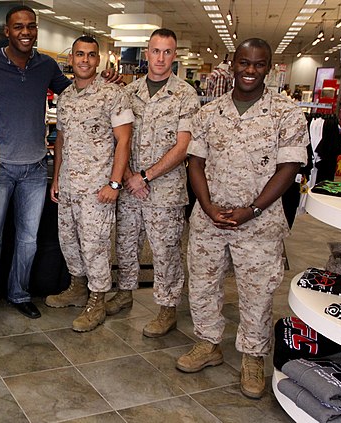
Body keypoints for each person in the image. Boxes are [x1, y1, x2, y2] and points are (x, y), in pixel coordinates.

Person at [176, 38, 308, 399]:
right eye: (244, 63)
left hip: (260, 223)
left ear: (270, 67)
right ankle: (208, 343)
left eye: (259, 64)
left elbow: (290, 167)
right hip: (210, 219)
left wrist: (253, 209)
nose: (250, 71)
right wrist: (205, 205)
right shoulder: (208, 113)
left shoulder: (287, 112)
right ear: (233, 64)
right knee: (202, 285)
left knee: (257, 293)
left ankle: (253, 356)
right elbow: (195, 163)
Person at [0, 5, 71, 325]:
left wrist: (103, 79)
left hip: (36, 168)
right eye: (18, 27)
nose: (25, 32)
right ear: (7, 32)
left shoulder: (46, 65)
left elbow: (75, 92)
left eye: (31, 26)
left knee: (28, 240)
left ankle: (19, 293)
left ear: (36, 29)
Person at [97, 29, 199, 339]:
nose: (160, 57)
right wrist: (129, 176)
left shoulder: (185, 94)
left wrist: (146, 176)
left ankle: (167, 308)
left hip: (165, 191)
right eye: (155, 51)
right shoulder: (130, 92)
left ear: (175, 55)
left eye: (167, 52)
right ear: (146, 53)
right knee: (126, 243)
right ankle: (125, 292)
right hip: (129, 186)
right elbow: (120, 139)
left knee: (165, 251)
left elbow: (183, 148)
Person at [50, 36, 133, 332]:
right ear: (71, 59)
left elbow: (124, 140)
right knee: (69, 241)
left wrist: (114, 183)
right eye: (79, 55)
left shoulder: (112, 95)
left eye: (91, 55)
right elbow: (60, 139)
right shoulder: (66, 96)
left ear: (99, 61)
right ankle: (78, 288)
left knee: (95, 246)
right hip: (70, 185)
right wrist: (57, 177)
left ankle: (98, 299)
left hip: (97, 189)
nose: (85, 60)